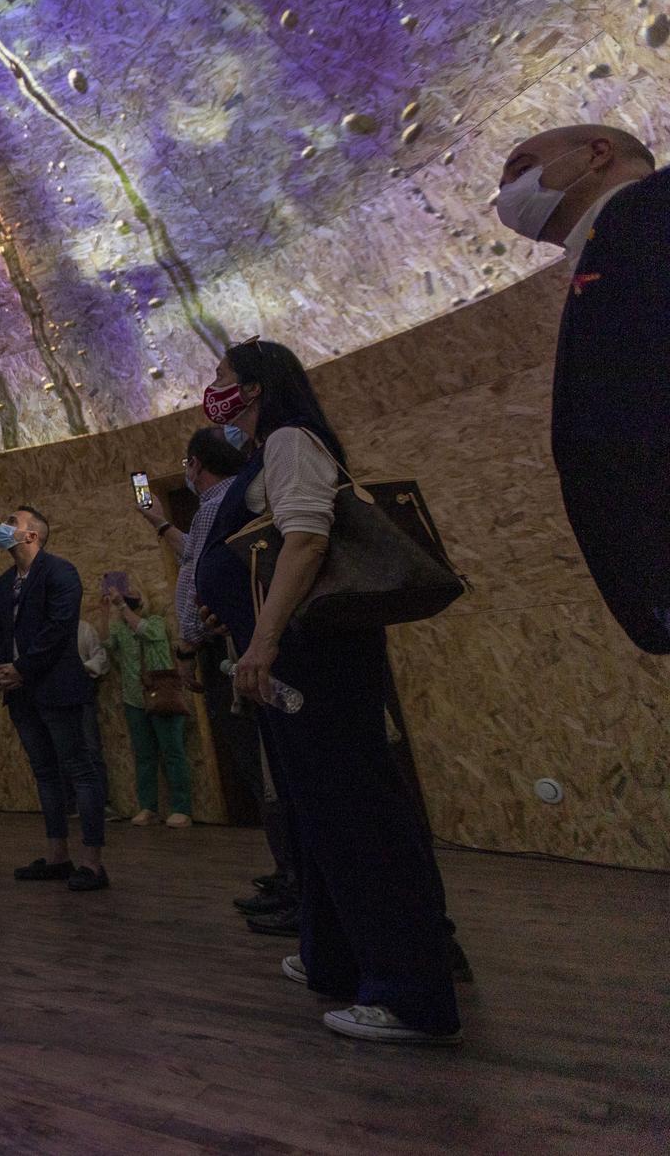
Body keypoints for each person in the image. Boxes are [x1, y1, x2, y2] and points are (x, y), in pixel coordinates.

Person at [195, 338, 461, 1043]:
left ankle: (411, 991)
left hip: (314, 661)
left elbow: (306, 542)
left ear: (254, 388)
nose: (212, 388)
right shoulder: (264, 452)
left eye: (222, 378)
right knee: (319, 817)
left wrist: (263, 638)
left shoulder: (289, 440)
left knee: (356, 813)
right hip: (290, 663)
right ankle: (338, 958)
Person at [494, 124, 668, 654]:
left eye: (522, 169)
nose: (507, 194)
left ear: (596, 154)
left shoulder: (652, 208)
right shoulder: (602, 249)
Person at [138, 429, 278, 909]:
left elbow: (202, 584)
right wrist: (159, 524)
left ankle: (296, 877)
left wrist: (185, 650)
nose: (185, 473)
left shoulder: (223, 502)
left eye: (186, 464)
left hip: (234, 652)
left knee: (265, 770)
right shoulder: (217, 508)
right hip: (228, 648)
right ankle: (290, 872)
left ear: (196, 465)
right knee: (263, 768)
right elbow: (194, 555)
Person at [0, 506, 108, 892]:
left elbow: (59, 629)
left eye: (12, 522)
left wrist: (22, 668)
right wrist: (2, 669)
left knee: (79, 769)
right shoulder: (5, 581)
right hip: (21, 692)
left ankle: (92, 863)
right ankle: (58, 855)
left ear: (32, 536)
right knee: (45, 772)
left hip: (55, 687)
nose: (3, 527)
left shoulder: (61, 572)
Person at [101, 577, 190, 828]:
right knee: (144, 755)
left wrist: (122, 606)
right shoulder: (121, 628)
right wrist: (105, 612)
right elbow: (107, 643)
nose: (126, 594)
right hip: (134, 699)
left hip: (162, 694)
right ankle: (148, 806)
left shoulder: (156, 623)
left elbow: (142, 630)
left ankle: (182, 807)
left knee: (173, 752)